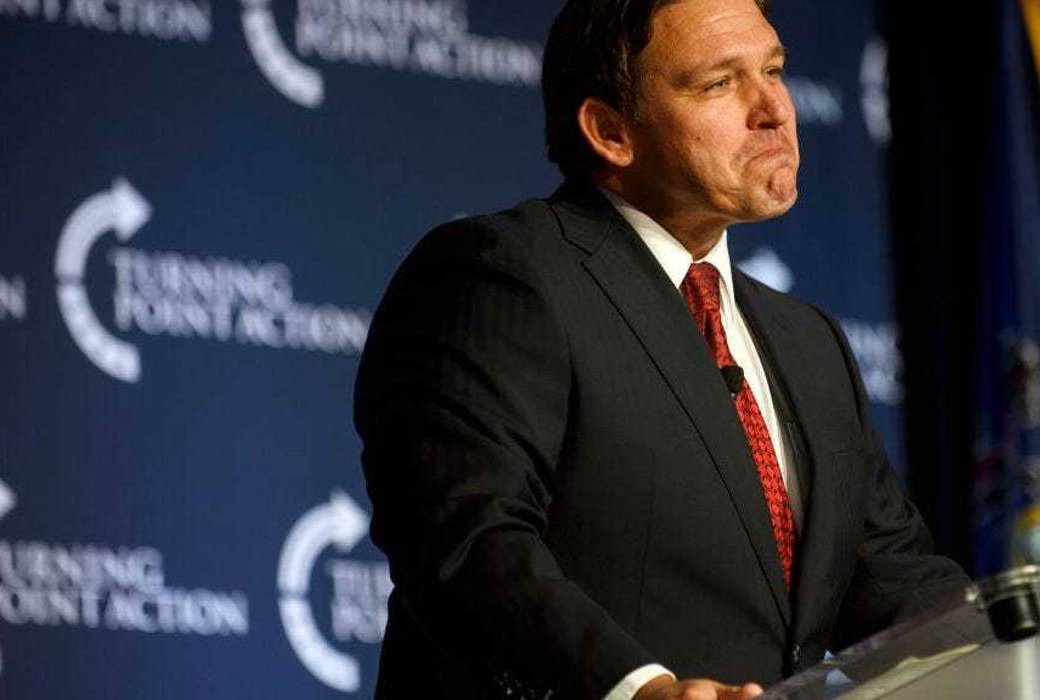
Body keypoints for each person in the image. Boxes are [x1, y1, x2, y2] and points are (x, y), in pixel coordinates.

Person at [354, 1, 969, 698]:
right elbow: (467, 541)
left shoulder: (808, 342)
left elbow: (895, 581)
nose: (773, 108)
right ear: (611, 131)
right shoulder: (502, 274)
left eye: (773, 71)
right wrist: (639, 690)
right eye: (719, 83)